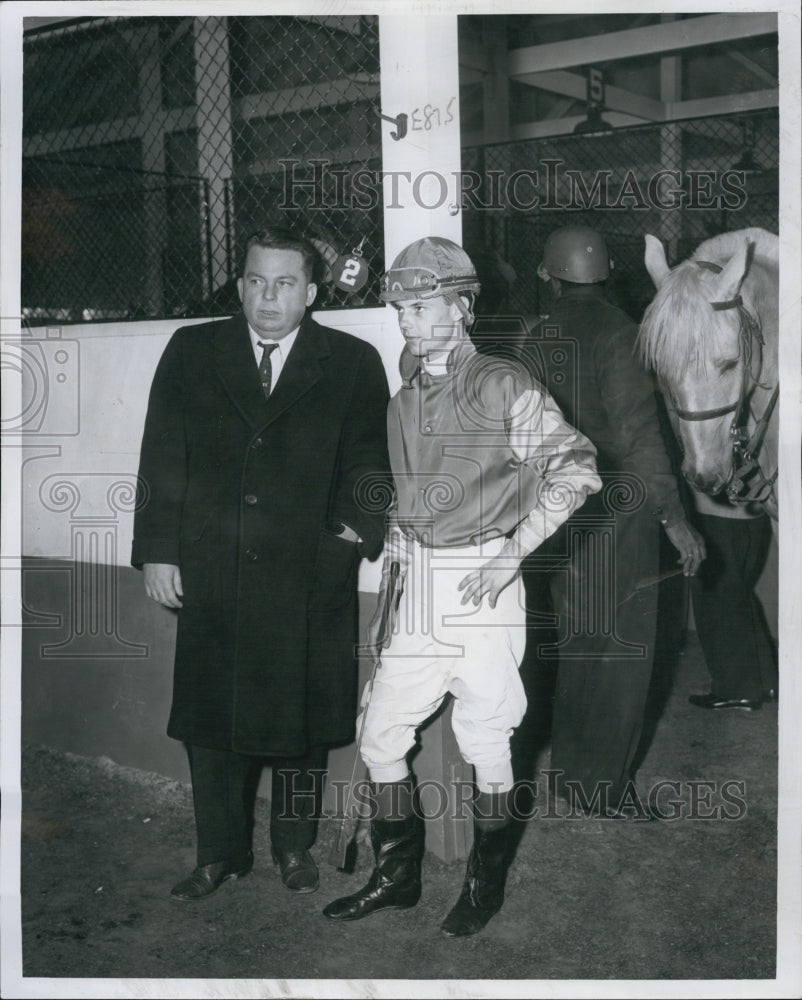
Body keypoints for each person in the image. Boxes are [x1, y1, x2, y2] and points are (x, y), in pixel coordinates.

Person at [322, 236, 601, 936]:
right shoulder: (402, 401)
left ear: (463, 305)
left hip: (484, 586)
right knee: (382, 733)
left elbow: (577, 470)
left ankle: (485, 880)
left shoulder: (504, 384)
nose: (408, 321)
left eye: (422, 307)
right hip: (416, 583)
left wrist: (512, 552)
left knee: (487, 739)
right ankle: (398, 876)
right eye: (401, 309)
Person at [132, 228, 391, 900]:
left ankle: (293, 846)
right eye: (254, 280)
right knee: (210, 723)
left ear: (311, 292)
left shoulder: (353, 361)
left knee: (300, 724)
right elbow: (162, 454)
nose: (266, 297)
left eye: (283, 284)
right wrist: (158, 550)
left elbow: (371, 465)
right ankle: (218, 854)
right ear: (240, 284)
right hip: (212, 570)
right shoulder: (193, 351)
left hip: (308, 572)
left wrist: (346, 537)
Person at [522, 224, 706, 815]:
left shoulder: (532, 336)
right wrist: (674, 519)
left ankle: (569, 775)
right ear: (604, 274)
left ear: (548, 274)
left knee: (575, 647)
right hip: (614, 516)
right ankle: (599, 786)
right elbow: (641, 439)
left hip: (553, 513)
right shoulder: (622, 334)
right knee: (622, 655)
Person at [685, 487, 777, 711]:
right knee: (737, 594)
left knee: (714, 598)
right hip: (753, 512)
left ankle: (736, 690)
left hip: (714, 512)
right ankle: (765, 682)